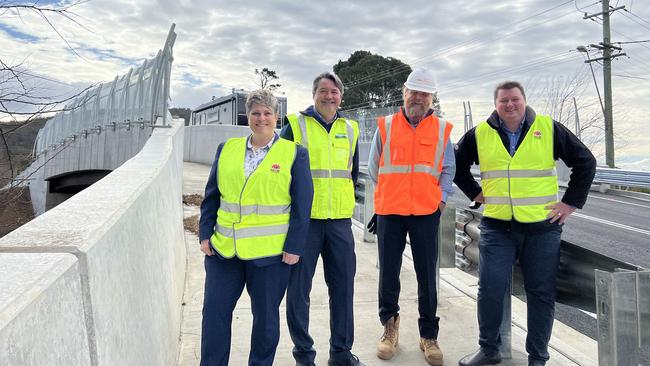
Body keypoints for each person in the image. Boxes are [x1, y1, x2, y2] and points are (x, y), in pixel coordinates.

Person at [454, 81, 596, 366]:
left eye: (514, 99)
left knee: (541, 292)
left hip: (541, 229)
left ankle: (538, 357)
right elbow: (456, 165)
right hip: (497, 227)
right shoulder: (480, 133)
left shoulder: (549, 128)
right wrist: (475, 193)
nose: (510, 105)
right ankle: (489, 349)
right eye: (503, 100)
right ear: (496, 104)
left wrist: (570, 203)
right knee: (490, 288)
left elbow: (586, 162)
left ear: (524, 100)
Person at [198, 89, 313, 366]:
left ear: (277, 117)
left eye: (267, 113)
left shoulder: (294, 153)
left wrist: (295, 247)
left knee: (265, 319)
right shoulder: (227, 149)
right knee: (214, 314)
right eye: (255, 113)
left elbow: (302, 204)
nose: (261, 118)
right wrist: (205, 233)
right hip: (224, 251)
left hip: (270, 255)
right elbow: (212, 195)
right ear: (247, 116)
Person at [366, 67, 455, 366]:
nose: (418, 98)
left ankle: (429, 335)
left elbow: (448, 169)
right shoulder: (387, 125)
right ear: (404, 94)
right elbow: (374, 167)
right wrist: (390, 194)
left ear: (431, 98)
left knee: (427, 276)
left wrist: (440, 201)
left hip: (426, 213)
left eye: (424, 93)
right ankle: (389, 328)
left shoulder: (442, 130)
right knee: (388, 273)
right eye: (413, 92)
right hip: (390, 211)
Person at [282, 72, 364, 366]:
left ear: (341, 97)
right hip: (305, 224)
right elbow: (280, 171)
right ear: (313, 94)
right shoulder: (295, 126)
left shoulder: (350, 129)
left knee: (343, 288)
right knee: (298, 292)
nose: (330, 97)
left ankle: (341, 353)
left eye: (335, 92)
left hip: (340, 223)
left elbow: (351, 175)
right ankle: (304, 354)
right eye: (324, 91)